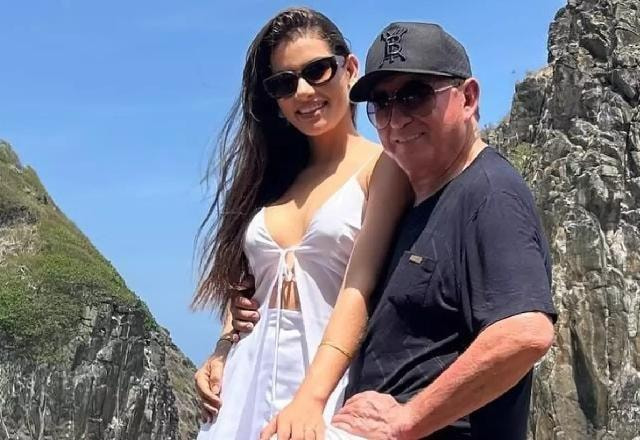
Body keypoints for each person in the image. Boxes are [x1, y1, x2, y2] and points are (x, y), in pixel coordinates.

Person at [235, 22, 558, 439]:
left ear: (468, 98)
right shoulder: (418, 204)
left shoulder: (489, 194)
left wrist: (410, 419)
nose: (397, 118)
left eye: (414, 96)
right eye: (382, 103)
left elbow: (525, 332)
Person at [192, 8, 410, 440]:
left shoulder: (382, 167)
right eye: (284, 83)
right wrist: (220, 349)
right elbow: (249, 285)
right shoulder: (272, 178)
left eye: (317, 70)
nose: (304, 91)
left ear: (350, 69)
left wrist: (311, 400)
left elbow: (359, 289)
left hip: (327, 392)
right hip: (242, 393)